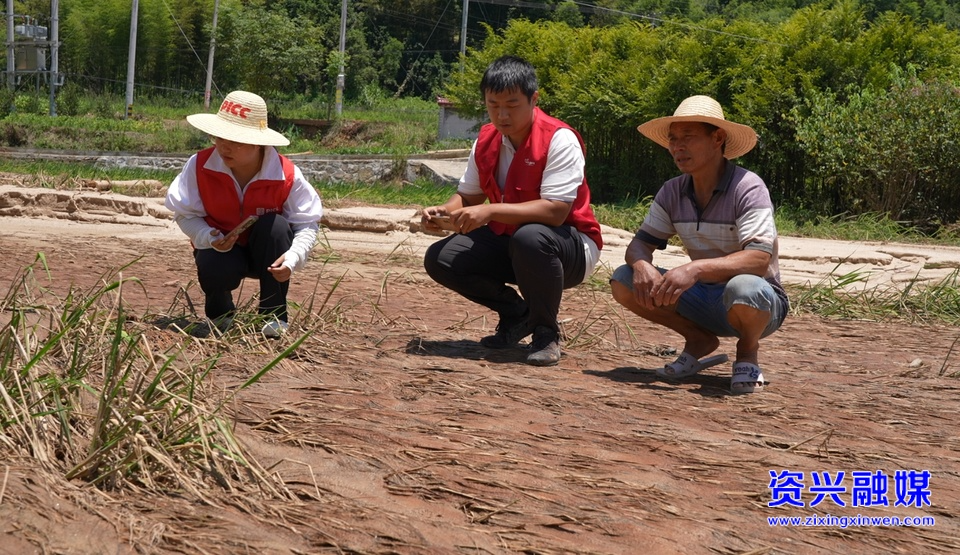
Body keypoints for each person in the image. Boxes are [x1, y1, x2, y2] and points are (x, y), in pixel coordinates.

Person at [422, 55, 603, 366]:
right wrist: (443, 213)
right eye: (493, 105)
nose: (502, 114)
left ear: (534, 99)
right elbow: (468, 196)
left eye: (512, 104)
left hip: (570, 247)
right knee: (441, 258)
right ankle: (517, 314)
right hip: (514, 242)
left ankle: (546, 333)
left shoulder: (560, 139)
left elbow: (556, 212)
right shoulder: (486, 139)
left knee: (531, 237)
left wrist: (490, 212)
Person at [610, 95, 788, 393]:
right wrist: (642, 264)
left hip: (760, 301)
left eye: (688, 138)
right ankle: (699, 339)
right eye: (673, 139)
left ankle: (747, 354)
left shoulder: (747, 187)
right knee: (624, 280)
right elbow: (639, 245)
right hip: (704, 298)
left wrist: (694, 269)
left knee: (743, 287)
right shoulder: (672, 191)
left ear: (717, 138)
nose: (678, 147)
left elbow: (758, 260)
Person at [165, 90, 323, 338]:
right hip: (222, 254)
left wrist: (293, 258)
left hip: (268, 254)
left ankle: (273, 317)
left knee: (277, 227)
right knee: (212, 262)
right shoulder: (198, 166)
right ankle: (221, 315)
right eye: (219, 137)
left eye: (236, 140)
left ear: (259, 143)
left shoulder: (286, 174)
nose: (224, 147)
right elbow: (185, 214)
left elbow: (307, 223)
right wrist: (208, 237)